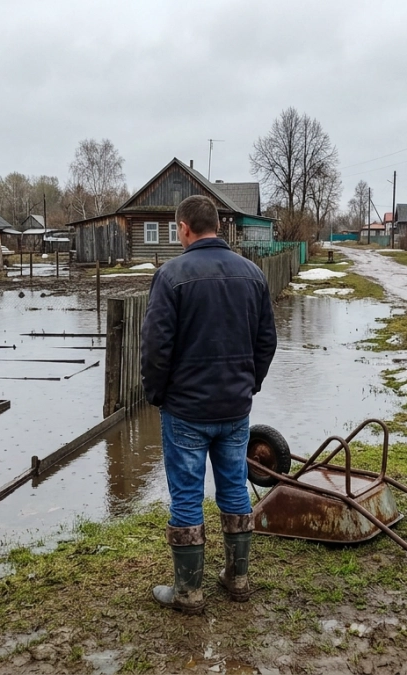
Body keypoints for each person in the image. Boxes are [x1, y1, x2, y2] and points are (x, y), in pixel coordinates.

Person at [140, 194, 277, 614]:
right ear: (218, 226)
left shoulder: (171, 275)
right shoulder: (253, 274)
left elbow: (156, 347)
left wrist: (158, 393)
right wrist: (248, 384)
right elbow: (266, 340)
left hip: (186, 409)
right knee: (235, 486)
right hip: (234, 408)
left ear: (184, 228)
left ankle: (189, 592)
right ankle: (238, 579)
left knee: (186, 494)